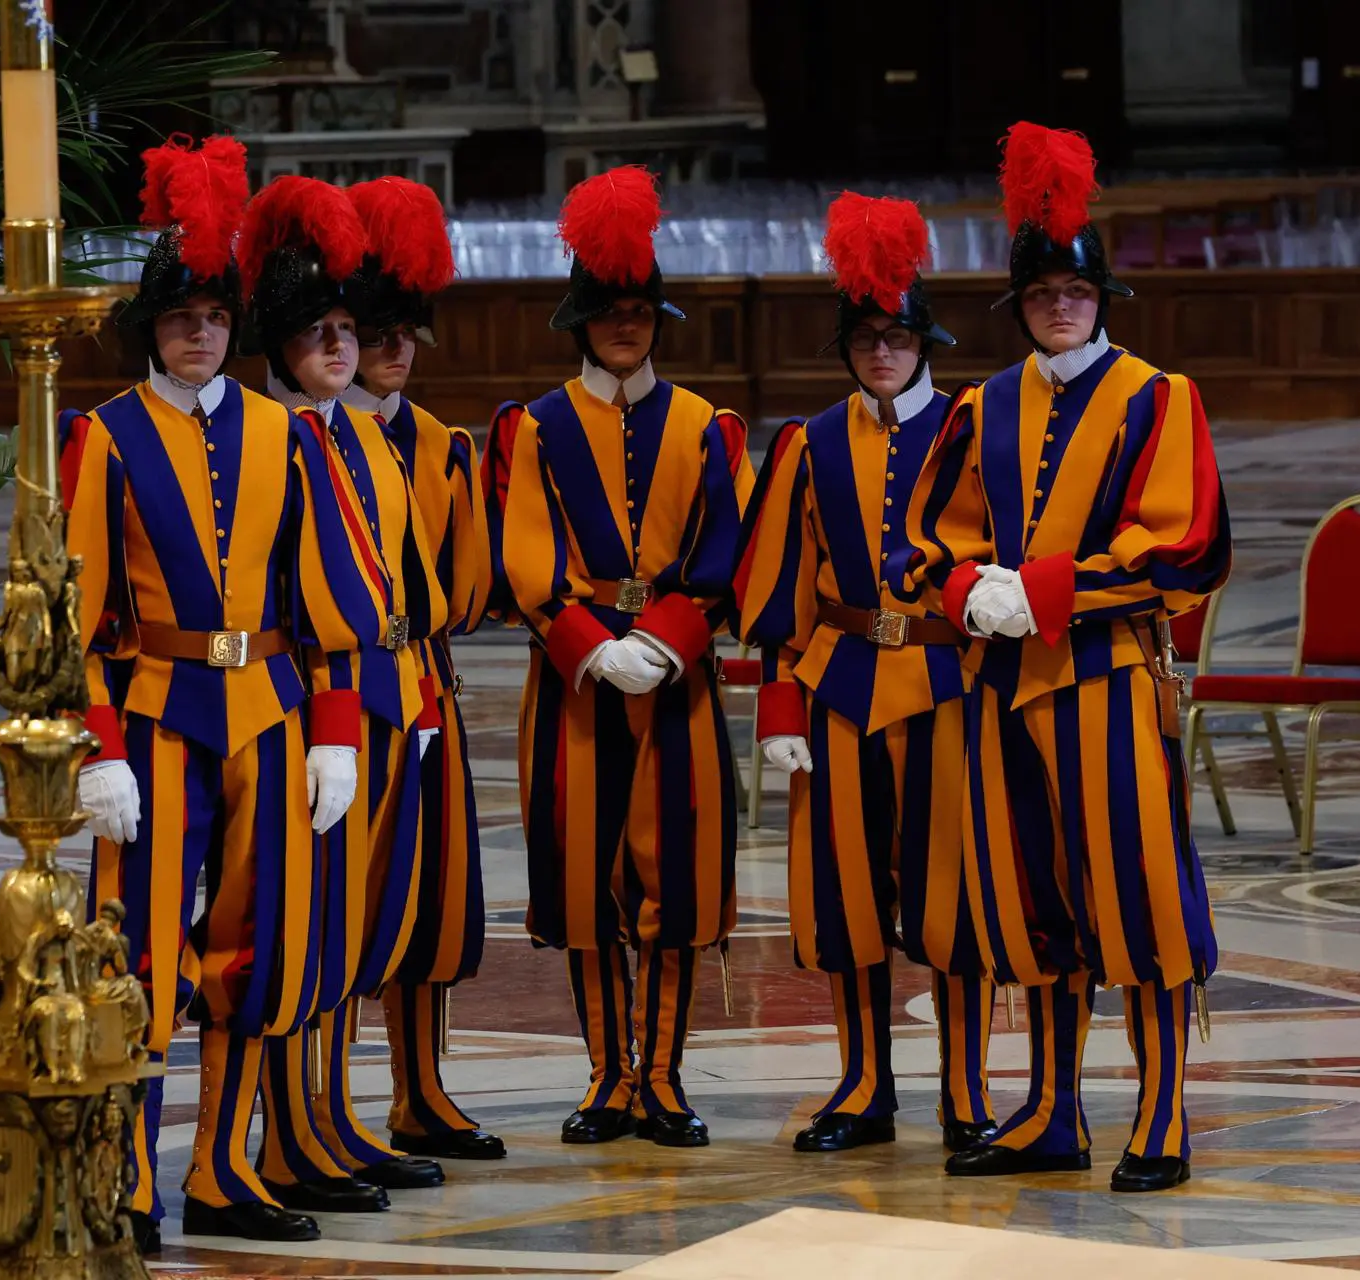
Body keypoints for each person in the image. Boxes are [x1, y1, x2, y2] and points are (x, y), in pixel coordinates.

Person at [906, 121, 1230, 1193]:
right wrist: (967, 588)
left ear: (1101, 296)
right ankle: (1051, 1106)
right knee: (1027, 899)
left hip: (1109, 683)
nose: (1059, 304)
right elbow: (927, 541)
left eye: (1074, 291)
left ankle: (1164, 1111)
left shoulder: (1157, 396)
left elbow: (1178, 546)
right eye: (1041, 291)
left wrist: (1037, 589)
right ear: (1020, 302)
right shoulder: (981, 406)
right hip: (1001, 685)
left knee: (1138, 900)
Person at [63, 134, 367, 1247]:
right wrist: (96, 744)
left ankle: (221, 1167)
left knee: (258, 948)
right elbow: (76, 614)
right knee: (142, 953)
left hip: (274, 715)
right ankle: (130, 1179)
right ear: (153, 325)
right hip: (152, 714)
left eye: (218, 315)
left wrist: (334, 731)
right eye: (183, 315)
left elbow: (329, 598)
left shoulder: (287, 435)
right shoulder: (99, 438)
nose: (202, 331)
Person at [496, 165, 752, 1149]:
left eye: (641, 310)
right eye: (608, 311)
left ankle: (665, 1077)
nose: (626, 326)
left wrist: (668, 641)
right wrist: (592, 647)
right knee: (586, 876)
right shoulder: (536, 426)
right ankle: (608, 1073)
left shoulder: (706, 427)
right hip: (577, 679)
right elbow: (526, 556)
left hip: (676, 679)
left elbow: (728, 557)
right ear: (579, 318)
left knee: (676, 883)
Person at [736, 192, 996, 1155]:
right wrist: (778, 704)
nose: (880, 352)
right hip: (839, 683)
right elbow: (777, 588)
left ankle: (966, 1090)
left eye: (895, 335)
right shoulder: (805, 445)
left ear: (924, 340)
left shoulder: (974, 429)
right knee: (844, 898)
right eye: (864, 338)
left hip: (945, 685)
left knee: (953, 895)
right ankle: (862, 1085)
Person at [238, 174, 452, 1201]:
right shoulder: (261, 437)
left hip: (384, 697)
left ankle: (332, 1114)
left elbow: (400, 587)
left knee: (359, 927)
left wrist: (410, 702)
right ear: (279, 343)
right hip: (305, 712)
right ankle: (291, 1132)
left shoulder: (367, 438)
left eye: (344, 330)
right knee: (302, 927)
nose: (339, 347)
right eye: (318, 332)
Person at [340, 176, 502, 1161]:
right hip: (352, 687)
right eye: (380, 332)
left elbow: (473, 583)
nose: (397, 351)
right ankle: (333, 1107)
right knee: (347, 896)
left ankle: (422, 1088)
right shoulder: (318, 433)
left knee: (436, 890)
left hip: (428, 675)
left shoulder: (441, 443)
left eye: (408, 336)